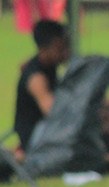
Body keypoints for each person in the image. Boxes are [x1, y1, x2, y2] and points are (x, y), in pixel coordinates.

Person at [13, 19, 70, 158]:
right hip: (35, 138)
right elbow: (52, 111)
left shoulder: (49, 67)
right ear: (45, 47)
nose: (65, 52)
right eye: (60, 47)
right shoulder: (36, 78)